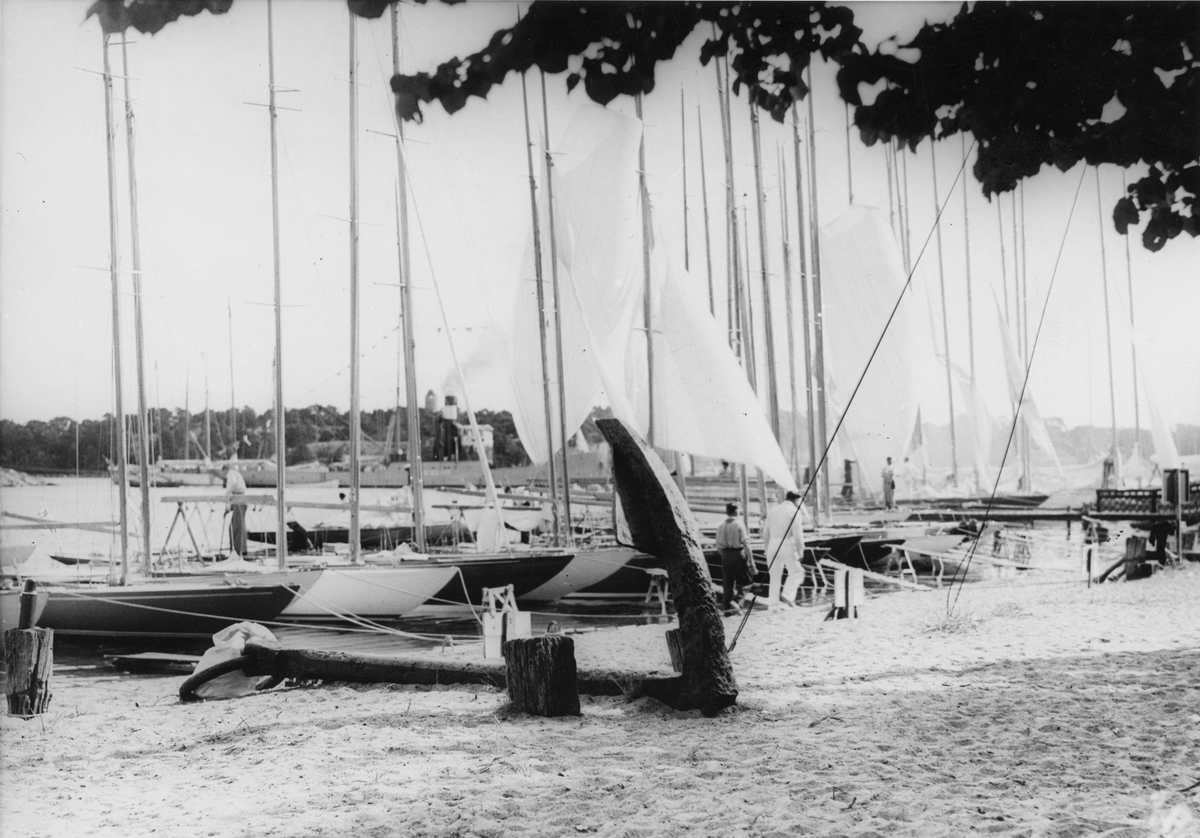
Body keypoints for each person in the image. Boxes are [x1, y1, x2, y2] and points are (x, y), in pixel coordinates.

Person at [763, 490, 807, 607]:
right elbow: (797, 534)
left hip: (772, 543)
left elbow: (765, 532)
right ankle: (787, 594)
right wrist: (800, 550)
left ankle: (773, 605)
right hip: (786, 542)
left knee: (774, 576)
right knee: (797, 572)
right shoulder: (794, 511)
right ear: (796, 500)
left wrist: (767, 548)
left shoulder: (773, 510)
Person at [715, 502, 753, 615]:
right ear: (737, 511)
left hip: (725, 555)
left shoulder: (720, 526)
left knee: (728, 584)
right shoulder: (739, 524)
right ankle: (737, 602)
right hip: (737, 554)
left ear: (727, 512)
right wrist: (751, 561)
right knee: (746, 582)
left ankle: (727, 610)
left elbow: (718, 546)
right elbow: (746, 544)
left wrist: (725, 555)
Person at [221, 464, 248, 557]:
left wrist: (226, 493)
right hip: (238, 498)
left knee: (237, 526)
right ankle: (238, 549)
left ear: (225, 470)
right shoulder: (235, 473)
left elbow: (233, 483)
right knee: (235, 526)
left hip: (239, 498)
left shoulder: (231, 473)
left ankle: (239, 550)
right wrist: (227, 509)